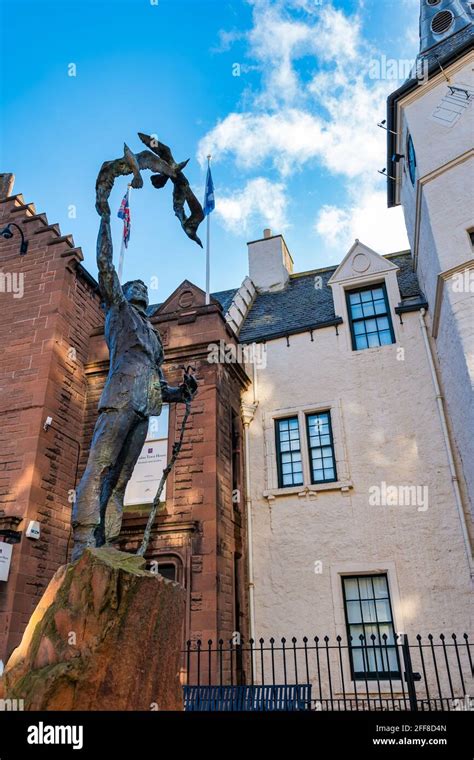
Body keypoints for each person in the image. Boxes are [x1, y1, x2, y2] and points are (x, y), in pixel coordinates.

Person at [71, 215, 197, 561]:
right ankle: (84, 541)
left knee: (122, 478)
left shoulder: (154, 335)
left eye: (145, 286)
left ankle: (107, 542)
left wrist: (181, 393)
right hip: (120, 399)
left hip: (144, 406)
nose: (140, 286)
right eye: (134, 285)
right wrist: (103, 217)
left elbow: (158, 382)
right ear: (125, 293)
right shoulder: (119, 312)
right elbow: (105, 265)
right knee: (100, 466)